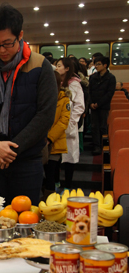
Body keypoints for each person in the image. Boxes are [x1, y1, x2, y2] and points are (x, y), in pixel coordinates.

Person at [0, 4, 57, 206]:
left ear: (20, 35)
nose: (2, 50)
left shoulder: (40, 66)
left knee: (25, 220)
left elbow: (45, 115)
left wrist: (11, 149)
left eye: (7, 43)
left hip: (26, 159)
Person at [56, 57, 85, 190]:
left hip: (68, 124)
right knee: (55, 158)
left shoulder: (74, 84)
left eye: (59, 65)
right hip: (57, 125)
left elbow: (79, 106)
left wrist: (71, 122)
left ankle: (68, 186)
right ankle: (56, 184)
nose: (57, 68)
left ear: (67, 68)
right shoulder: (56, 82)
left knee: (69, 157)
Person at [44, 71, 71, 195]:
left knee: (50, 175)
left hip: (54, 143)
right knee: (39, 174)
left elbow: (63, 123)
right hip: (39, 141)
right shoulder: (41, 97)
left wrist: (49, 138)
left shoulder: (64, 99)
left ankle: (49, 202)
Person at [89, 56, 116, 155]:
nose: (96, 66)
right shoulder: (92, 77)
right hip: (93, 106)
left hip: (103, 106)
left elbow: (109, 93)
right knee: (94, 126)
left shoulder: (111, 78)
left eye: (98, 64)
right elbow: (89, 92)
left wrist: (98, 104)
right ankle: (96, 146)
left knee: (103, 127)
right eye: (95, 64)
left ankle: (103, 146)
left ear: (105, 65)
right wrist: (91, 103)